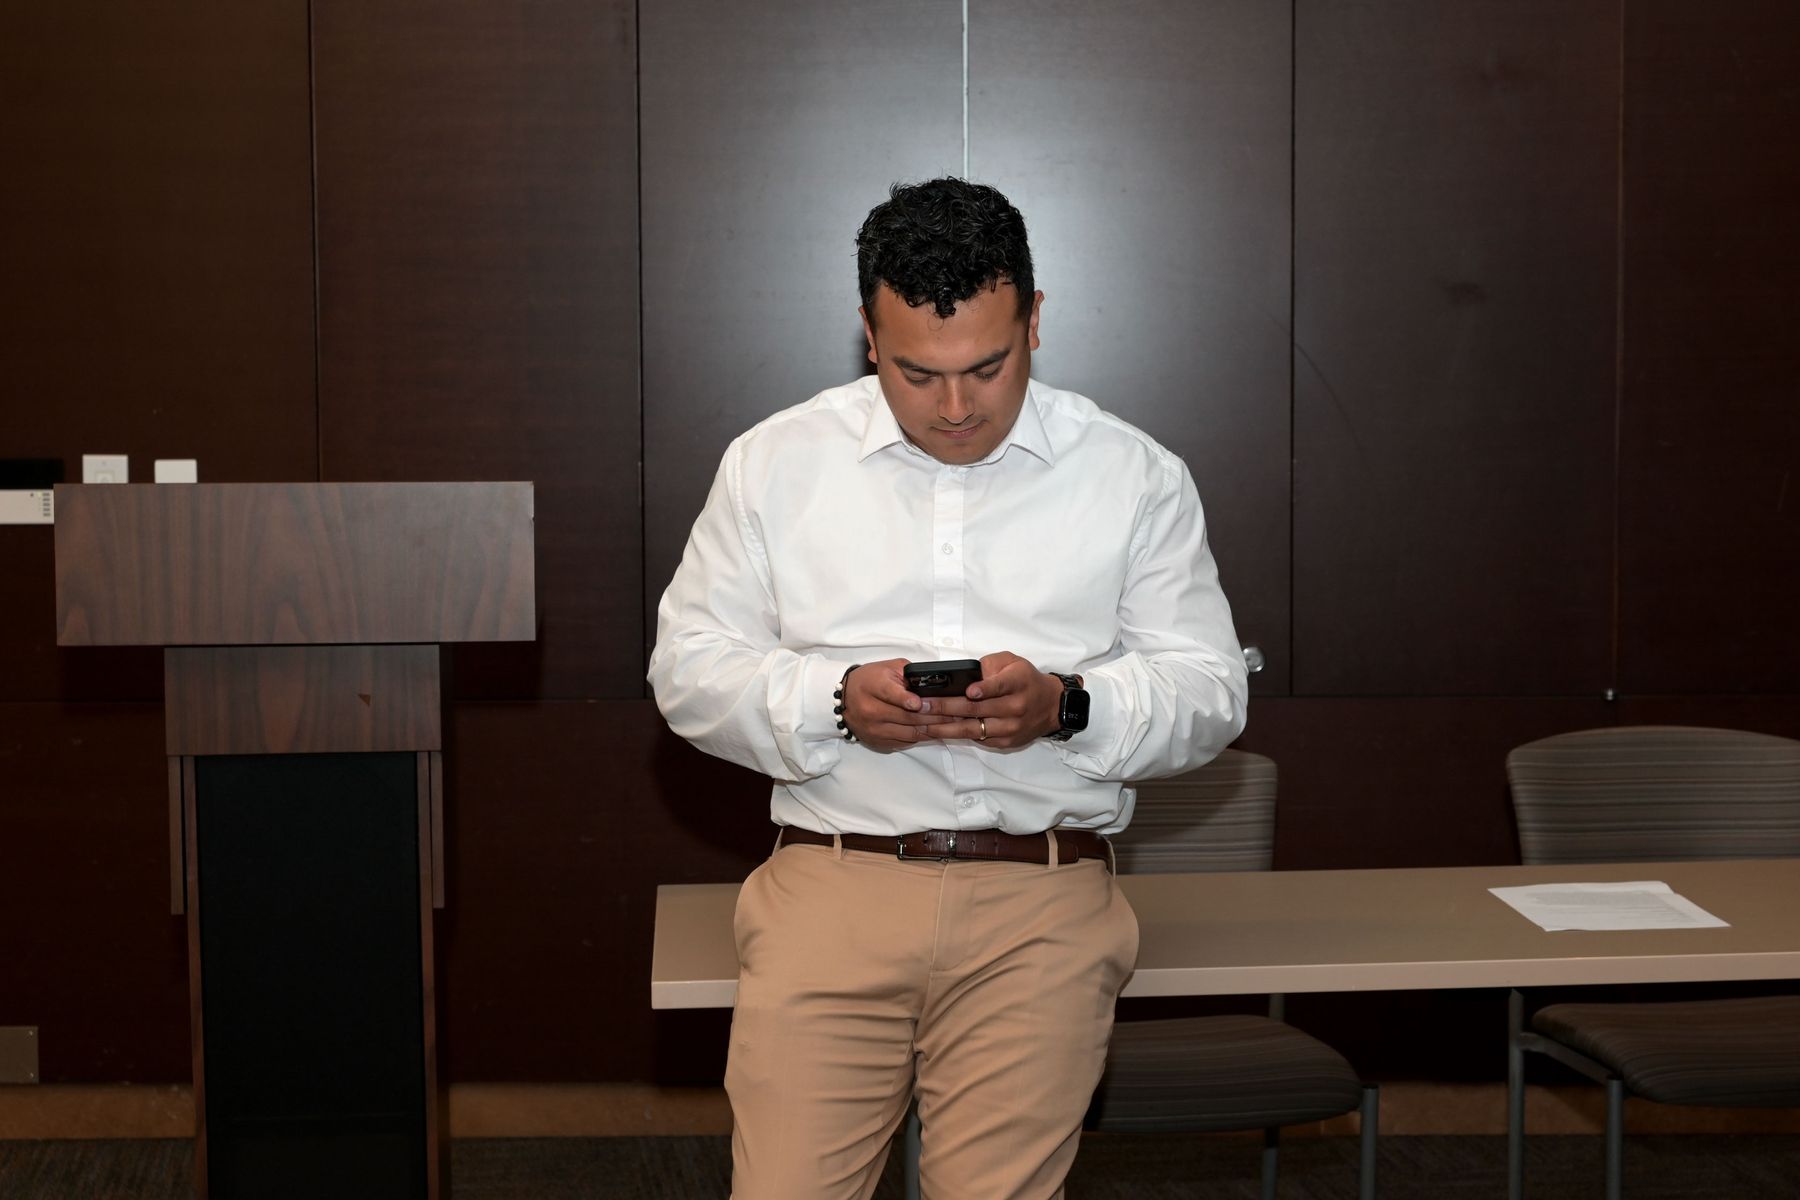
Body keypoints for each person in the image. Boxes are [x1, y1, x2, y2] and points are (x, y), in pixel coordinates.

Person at [648, 178, 1247, 1199]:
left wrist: (1067, 706)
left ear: (1035, 321)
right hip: (831, 889)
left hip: (1042, 901)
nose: (957, 407)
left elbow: (1210, 692)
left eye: (987, 367)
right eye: (918, 373)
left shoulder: (1132, 475)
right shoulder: (774, 465)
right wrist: (834, 702)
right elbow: (688, 671)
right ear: (868, 335)